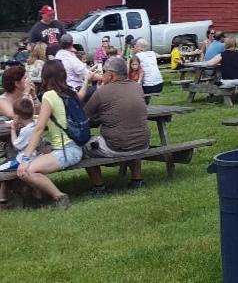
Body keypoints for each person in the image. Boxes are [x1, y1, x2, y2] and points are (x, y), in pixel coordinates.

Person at [16, 60, 84, 209]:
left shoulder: (49, 95)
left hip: (66, 151)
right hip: (75, 147)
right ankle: (38, 195)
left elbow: (39, 128)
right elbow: (46, 114)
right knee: (28, 168)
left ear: (45, 76)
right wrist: (34, 97)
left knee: (25, 171)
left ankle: (60, 197)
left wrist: (25, 158)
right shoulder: (69, 92)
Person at [82, 57, 149, 194]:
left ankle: (98, 186)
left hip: (117, 146)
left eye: (104, 72)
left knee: (83, 147)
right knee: (131, 131)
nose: (103, 74)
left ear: (111, 75)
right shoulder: (137, 87)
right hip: (143, 144)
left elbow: (85, 116)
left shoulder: (102, 92)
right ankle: (137, 179)